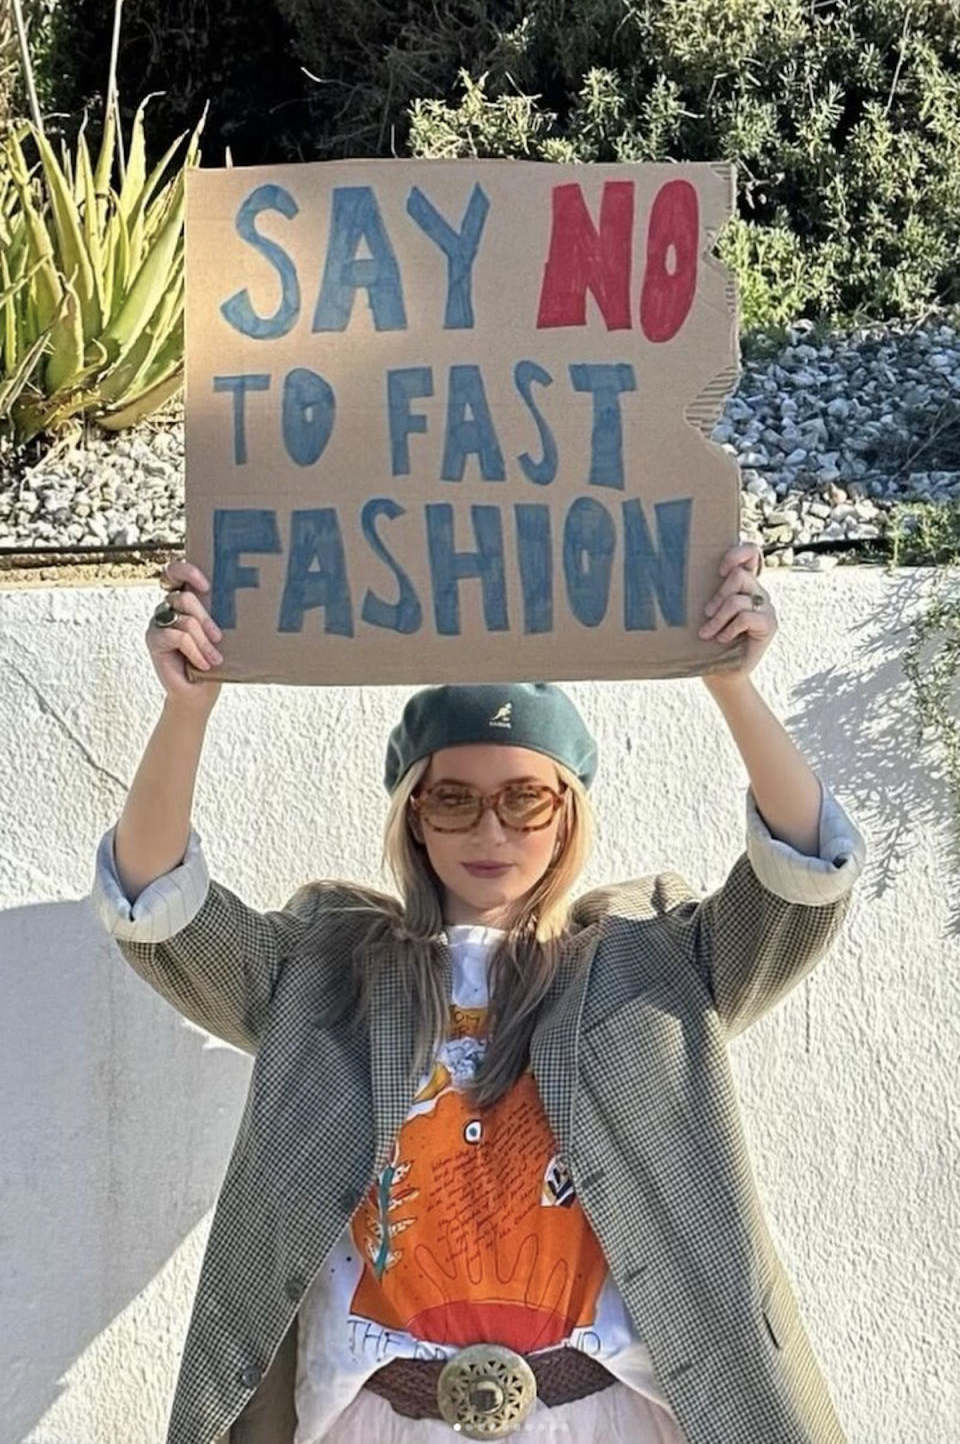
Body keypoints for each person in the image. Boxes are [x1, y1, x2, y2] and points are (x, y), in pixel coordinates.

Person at [90, 540, 866, 1444]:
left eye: (525, 800)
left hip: (607, 1414)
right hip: (380, 1417)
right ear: (413, 814)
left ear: (567, 812)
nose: (489, 828)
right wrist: (187, 709)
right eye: (453, 799)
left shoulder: (654, 958)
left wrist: (731, 682)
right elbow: (156, 905)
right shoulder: (325, 967)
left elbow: (804, 874)